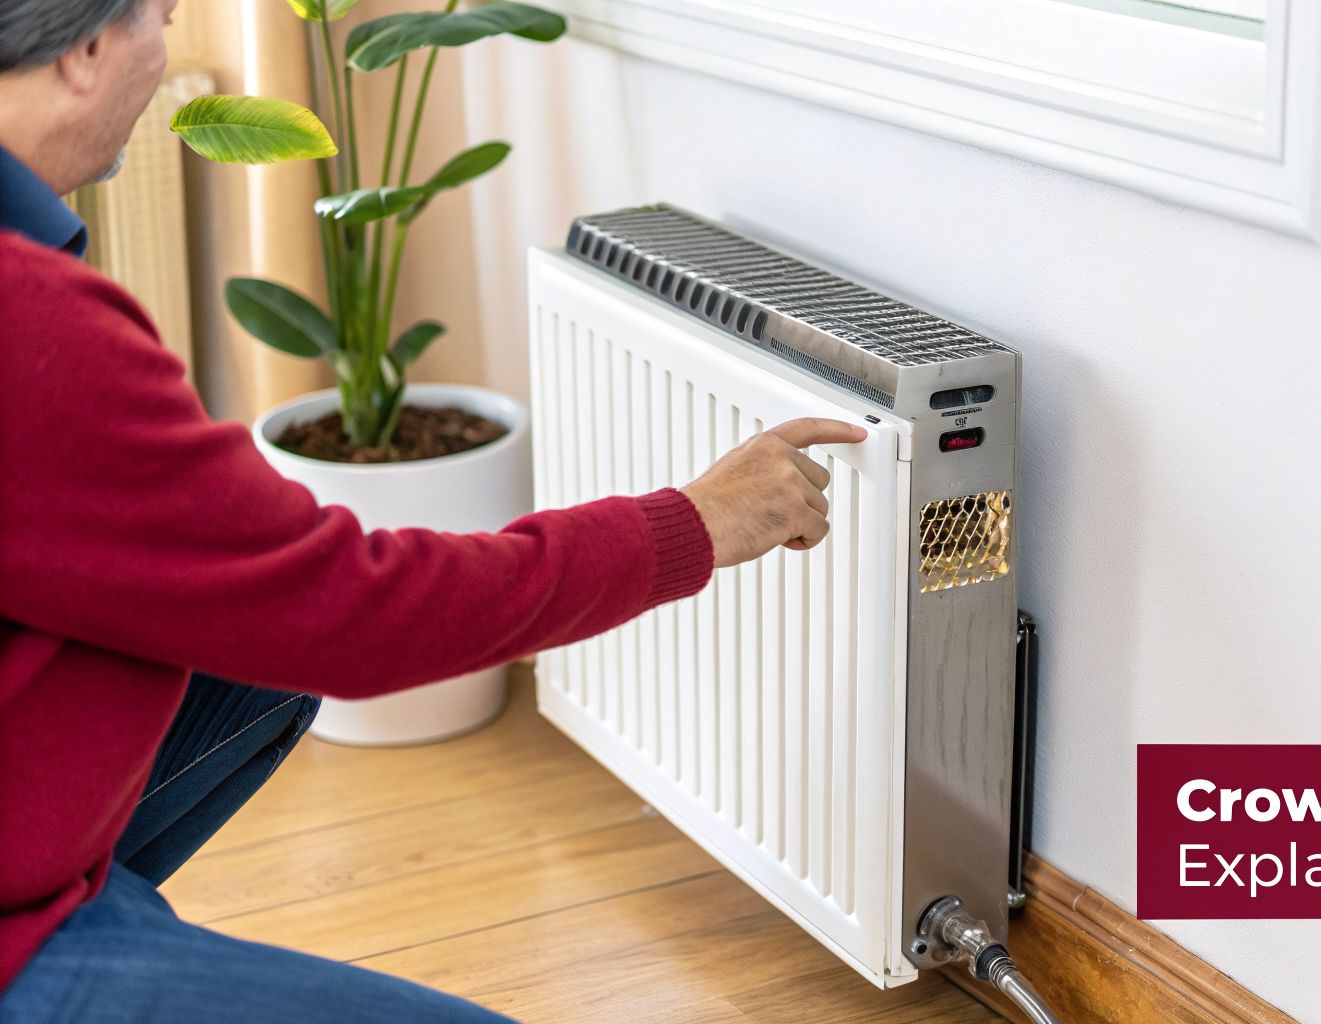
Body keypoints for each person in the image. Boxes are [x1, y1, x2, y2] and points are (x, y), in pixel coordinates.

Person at [0, 1, 866, 1019]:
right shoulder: (32, 325)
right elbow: (346, 610)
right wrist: (693, 523)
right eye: (156, 10)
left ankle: (104, 917)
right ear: (85, 48)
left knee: (255, 670)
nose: (173, 20)